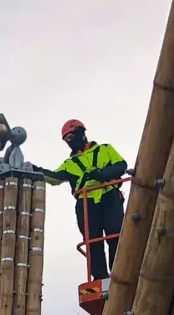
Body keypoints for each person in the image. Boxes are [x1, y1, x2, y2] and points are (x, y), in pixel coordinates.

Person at [43, 120, 127, 282]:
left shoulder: (105, 149)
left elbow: (121, 166)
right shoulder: (69, 164)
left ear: (81, 132)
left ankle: (119, 275)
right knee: (92, 242)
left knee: (115, 236)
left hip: (109, 197)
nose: (69, 141)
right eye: (66, 139)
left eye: (71, 136)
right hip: (86, 204)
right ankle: (100, 279)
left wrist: (100, 173)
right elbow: (54, 177)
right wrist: (32, 170)